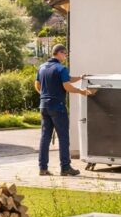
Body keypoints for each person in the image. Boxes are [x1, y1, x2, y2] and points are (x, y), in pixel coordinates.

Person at [34, 44, 95, 177]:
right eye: (65, 54)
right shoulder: (61, 68)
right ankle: (65, 167)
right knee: (63, 137)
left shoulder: (42, 67)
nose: (66, 57)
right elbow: (66, 85)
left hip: (44, 106)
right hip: (58, 107)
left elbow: (37, 85)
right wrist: (81, 91)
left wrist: (79, 77)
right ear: (59, 53)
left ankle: (42, 168)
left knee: (45, 137)